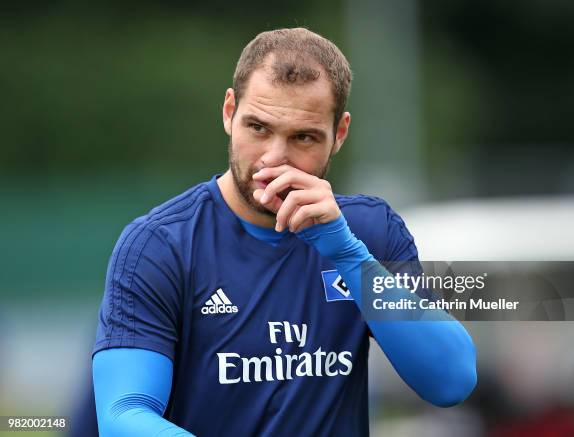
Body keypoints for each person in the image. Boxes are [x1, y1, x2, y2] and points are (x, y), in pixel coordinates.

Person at [92, 27, 477, 436]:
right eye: (258, 128)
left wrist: (349, 257)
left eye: (303, 137)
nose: (274, 158)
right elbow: (123, 416)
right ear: (229, 112)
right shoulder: (160, 246)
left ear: (339, 134)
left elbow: (451, 381)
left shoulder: (369, 232)